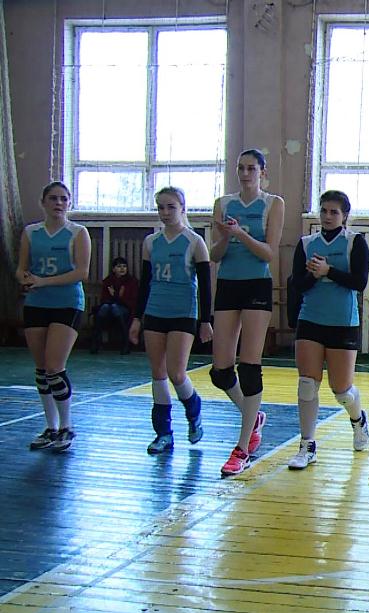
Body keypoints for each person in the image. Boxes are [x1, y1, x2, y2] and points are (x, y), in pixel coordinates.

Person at [208, 149, 285, 477]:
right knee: (220, 371)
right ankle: (252, 416)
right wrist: (227, 238)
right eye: (240, 168)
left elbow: (268, 253)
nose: (245, 173)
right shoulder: (223, 204)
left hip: (256, 285)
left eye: (251, 168)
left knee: (250, 366)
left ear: (262, 173)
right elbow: (215, 255)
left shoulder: (273, 204)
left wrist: (241, 234)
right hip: (228, 284)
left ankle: (242, 448)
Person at [287, 190, 369, 470]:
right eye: (323, 210)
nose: (327, 216)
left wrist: (329, 271)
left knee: (341, 390)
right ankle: (307, 444)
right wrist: (313, 275)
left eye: (334, 212)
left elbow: (359, 282)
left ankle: (358, 420)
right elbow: (297, 284)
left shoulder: (355, 242)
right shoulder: (306, 243)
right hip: (310, 319)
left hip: (342, 322)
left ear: (345, 215)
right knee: (307, 384)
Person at [129, 187, 213, 454]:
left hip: (183, 313)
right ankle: (163, 433)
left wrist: (205, 320)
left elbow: (205, 286)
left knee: (177, 373)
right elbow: (145, 283)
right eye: (160, 207)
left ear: (182, 208)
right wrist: (137, 318)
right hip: (155, 311)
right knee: (158, 372)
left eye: (171, 207)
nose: (165, 213)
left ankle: (194, 410)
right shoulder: (151, 242)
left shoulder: (194, 242)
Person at [18, 181, 91, 452]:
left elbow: (82, 272)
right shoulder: (31, 232)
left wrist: (43, 281)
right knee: (41, 368)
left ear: (69, 203)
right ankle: (50, 427)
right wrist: (25, 279)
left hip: (67, 303)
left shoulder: (78, 233)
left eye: (63, 199)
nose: (59, 203)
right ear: (43, 202)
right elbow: (21, 268)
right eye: (53, 198)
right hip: (37, 303)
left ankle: (66, 426)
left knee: (54, 366)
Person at [90, 256, 138, 354]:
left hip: (125, 309)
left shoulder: (131, 281)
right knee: (105, 307)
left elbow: (132, 301)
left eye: (124, 266)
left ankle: (125, 343)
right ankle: (96, 341)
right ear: (113, 269)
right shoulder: (108, 281)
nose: (122, 269)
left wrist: (116, 296)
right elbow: (104, 299)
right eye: (119, 266)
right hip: (109, 310)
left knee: (115, 308)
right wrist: (116, 297)